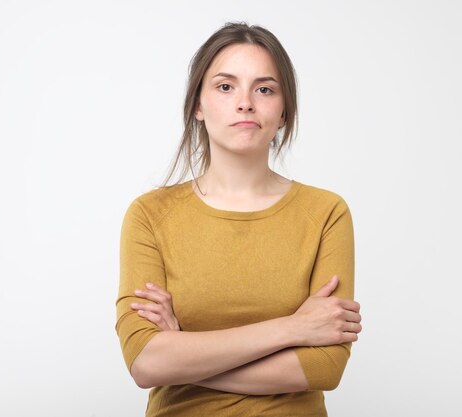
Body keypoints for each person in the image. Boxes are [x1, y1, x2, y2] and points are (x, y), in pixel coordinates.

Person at [116, 22, 363, 417]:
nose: (245, 102)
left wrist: (183, 350)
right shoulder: (150, 215)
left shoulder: (326, 212)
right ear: (198, 104)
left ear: (283, 111)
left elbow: (325, 366)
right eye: (226, 86)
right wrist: (293, 329)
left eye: (264, 89)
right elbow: (146, 362)